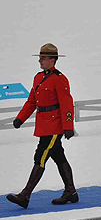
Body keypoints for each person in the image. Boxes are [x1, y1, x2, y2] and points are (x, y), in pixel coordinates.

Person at [6, 43, 79, 209]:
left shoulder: (60, 79)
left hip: (54, 126)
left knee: (41, 156)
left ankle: (25, 195)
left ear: (52, 60)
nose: (40, 61)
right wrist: (20, 118)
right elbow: (32, 101)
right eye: (39, 58)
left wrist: (68, 125)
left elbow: (67, 104)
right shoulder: (38, 77)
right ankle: (71, 191)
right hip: (43, 125)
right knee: (58, 156)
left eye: (43, 58)